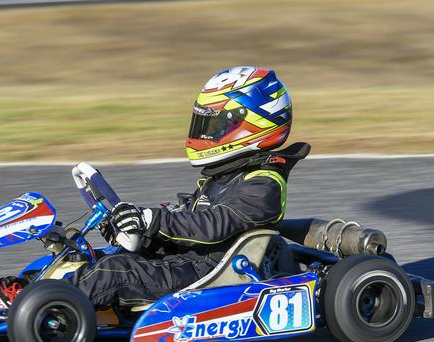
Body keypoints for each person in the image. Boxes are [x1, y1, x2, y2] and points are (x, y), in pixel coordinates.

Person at [69, 66, 309, 308]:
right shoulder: (223, 176)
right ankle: (43, 293)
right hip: (187, 260)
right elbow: (186, 223)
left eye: (215, 125)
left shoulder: (264, 183)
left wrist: (152, 220)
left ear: (252, 123)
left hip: (206, 273)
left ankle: (53, 307)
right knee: (91, 258)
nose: (205, 134)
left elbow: (213, 225)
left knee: (114, 271)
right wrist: (140, 232)